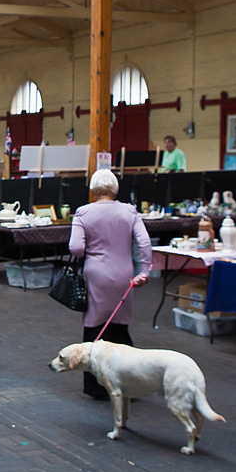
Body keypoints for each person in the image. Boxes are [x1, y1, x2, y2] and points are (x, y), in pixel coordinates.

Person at [68, 169, 151, 400]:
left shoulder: (83, 213)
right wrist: (144, 271)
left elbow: (75, 248)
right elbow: (144, 243)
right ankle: (130, 384)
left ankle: (97, 388)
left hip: (96, 276)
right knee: (121, 329)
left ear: (93, 190)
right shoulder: (129, 211)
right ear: (115, 189)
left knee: (95, 329)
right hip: (123, 276)